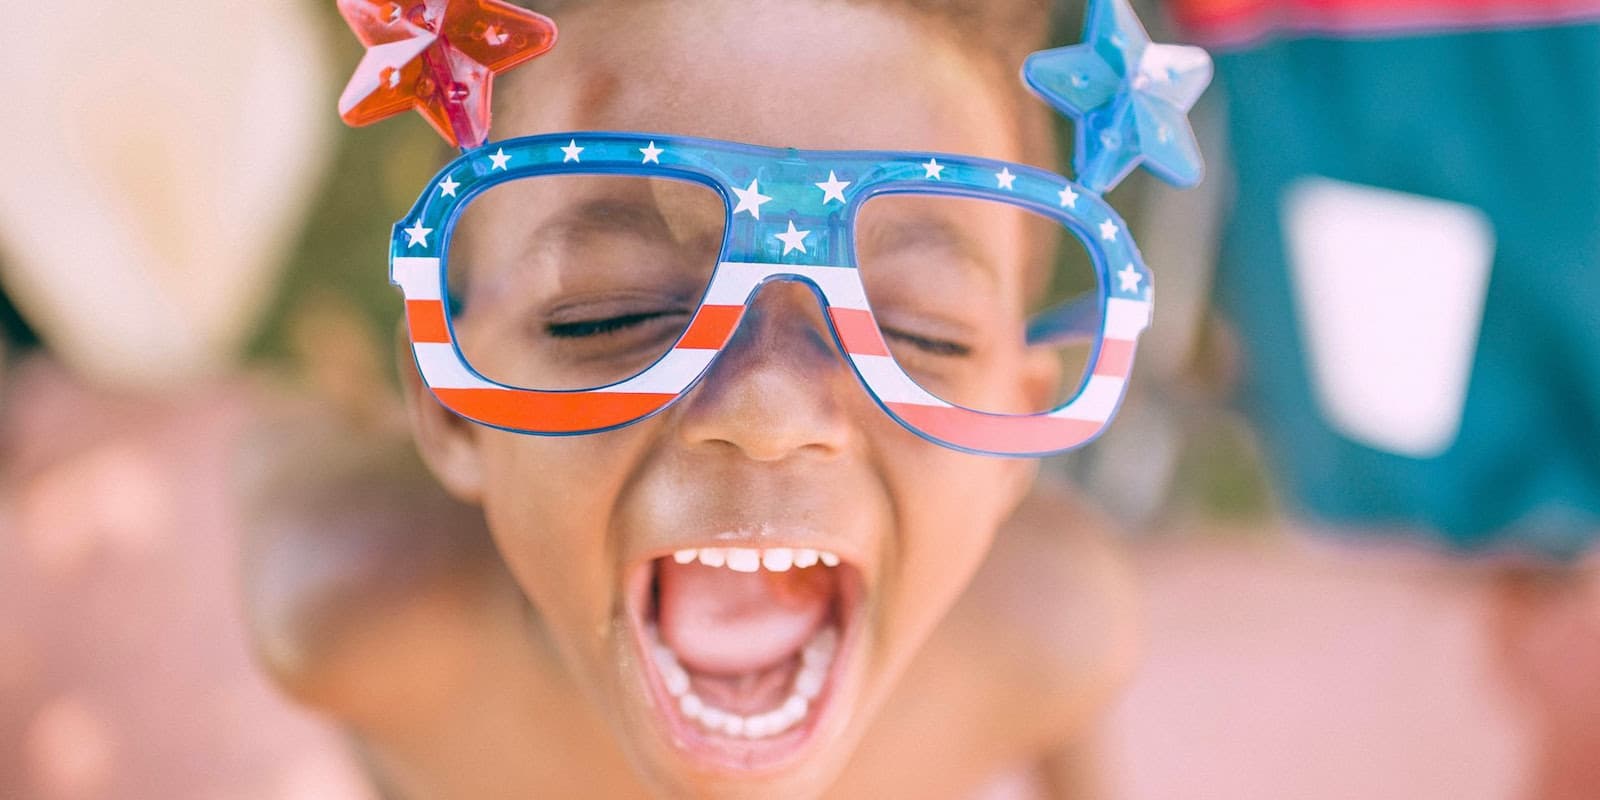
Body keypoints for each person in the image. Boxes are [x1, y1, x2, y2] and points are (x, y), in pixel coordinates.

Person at [244, 1, 1152, 797]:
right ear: (448, 405)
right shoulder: (359, 632)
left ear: (1015, 447)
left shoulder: (1052, 639)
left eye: (922, 338)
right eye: (613, 315)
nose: (770, 411)